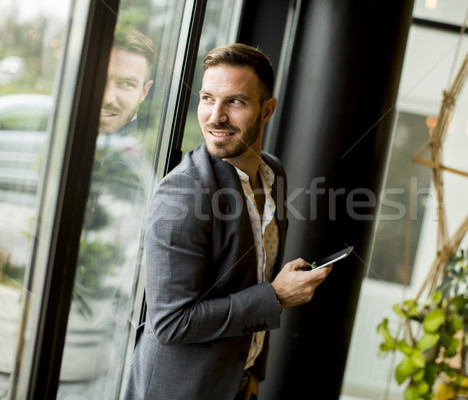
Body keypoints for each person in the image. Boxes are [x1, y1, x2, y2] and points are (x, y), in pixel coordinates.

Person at [123, 43, 331, 400]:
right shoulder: (182, 194)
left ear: (267, 110)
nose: (215, 116)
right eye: (207, 99)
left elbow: (257, 279)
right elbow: (172, 323)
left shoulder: (273, 174)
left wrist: (253, 375)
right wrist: (277, 296)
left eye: (234, 102)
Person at [60, 27, 156, 397]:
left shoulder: (138, 173)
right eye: (102, 79)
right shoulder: (44, 144)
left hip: (93, 371)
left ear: (144, 92)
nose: (109, 97)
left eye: (126, 84)